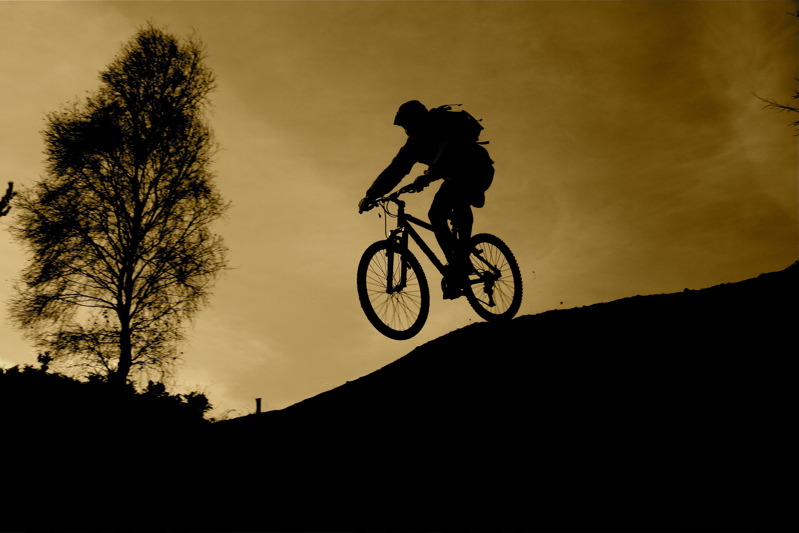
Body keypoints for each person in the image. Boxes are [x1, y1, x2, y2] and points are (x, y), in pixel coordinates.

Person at [358, 100, 494, 299]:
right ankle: (457, 267)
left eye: (407, 123)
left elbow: (448, 149)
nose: (406, 129)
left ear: (418, 119)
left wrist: (428, 176)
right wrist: (371, 195)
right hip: (453, 176)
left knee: (442, 208)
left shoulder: (441, 125)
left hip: (475, 168)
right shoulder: (413, 144)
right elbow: (396, 169)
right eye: (404, 125)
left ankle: (461, 258)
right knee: (442, 208)